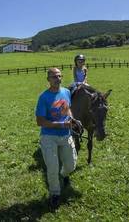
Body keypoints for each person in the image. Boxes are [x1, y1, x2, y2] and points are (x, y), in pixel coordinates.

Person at [35, 68, 78, 210]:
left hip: (66, 135)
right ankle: (55, 194)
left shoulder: (66, 92)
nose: (57, 79)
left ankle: (64, 174)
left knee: (71, 165)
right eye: (53, 77)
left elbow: (67, 109)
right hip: (49, 137)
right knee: (52, 168)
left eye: (59, 76)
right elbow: (40, 121)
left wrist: (72, 119)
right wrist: (62, 124)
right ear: (48, 79)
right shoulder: (44, 97)